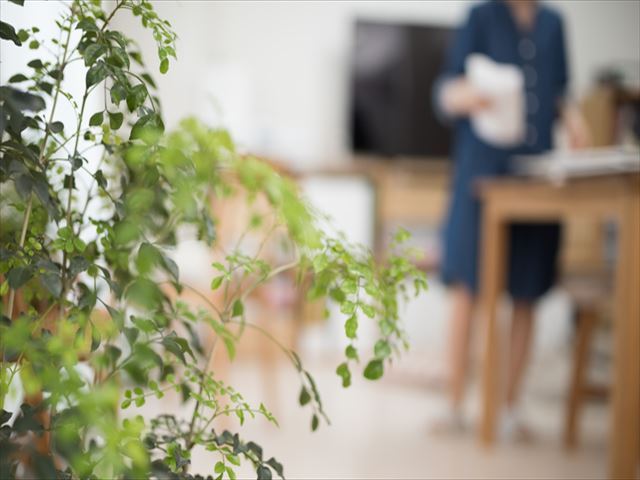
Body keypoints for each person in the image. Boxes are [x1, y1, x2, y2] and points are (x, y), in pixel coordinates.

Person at [434, 0, 590, 439]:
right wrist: (466, 95)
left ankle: (510, 407)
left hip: (537, 173)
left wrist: (574, 120)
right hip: (480, 174)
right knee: (468, 283)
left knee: (527, 288)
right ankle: (453, 405)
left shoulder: (556, 23)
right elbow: (444, 92)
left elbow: (559, 93)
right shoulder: (479, 17)